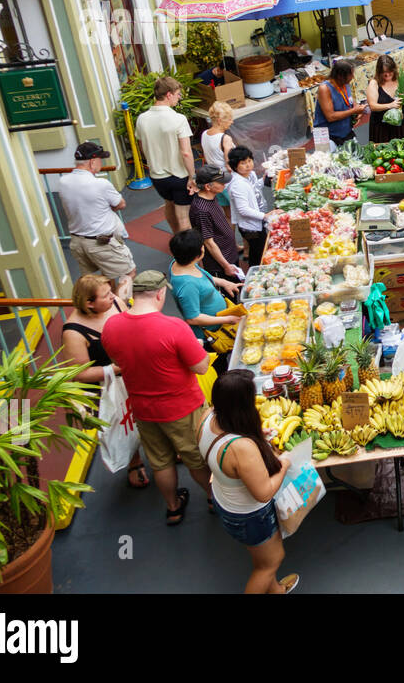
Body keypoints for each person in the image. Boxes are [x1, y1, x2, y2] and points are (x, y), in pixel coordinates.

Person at [100, 269, 213, 526]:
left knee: (160, 461)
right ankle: (212, 498)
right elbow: (201, 367)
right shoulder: (173, 326)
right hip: (182, 406)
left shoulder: (111, 326)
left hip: (142, 408)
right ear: (161, 293)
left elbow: (118, 361)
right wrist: (199, 351)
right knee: (195, 456)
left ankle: (173, 507)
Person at [199, 371, 299, 594]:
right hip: (250, 515)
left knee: (261, 558)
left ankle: (276, 591)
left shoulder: (208, 416)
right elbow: (264, 493)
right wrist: (284, 464)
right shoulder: (241, 448)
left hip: (224, 500)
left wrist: (257, 434)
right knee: (270, 563)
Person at [62, 273, 148, 489]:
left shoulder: (117, 303)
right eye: (105, 295)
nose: (113, 296)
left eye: (111, 292)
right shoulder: (73, 332)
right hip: (107, 386)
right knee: (125, 422)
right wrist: (117, 368)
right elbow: (79, 373)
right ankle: (134, 460)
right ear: (89, 303)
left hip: (135, 373)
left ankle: (163, 451)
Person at [61, 141, 135, 289]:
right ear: (92, 161)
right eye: (100, 159)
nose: (101, 163)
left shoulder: (63, 181)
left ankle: (108, 306)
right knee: (128, 273)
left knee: (99, 282)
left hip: (77, 242)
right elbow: (120, 204)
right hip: (101, 242)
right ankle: (120, 307)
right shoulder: (101, 184)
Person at [136, 76, 197, 233]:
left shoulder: (142, 119)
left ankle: (177, 238)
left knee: (169, 204)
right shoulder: (178, 119)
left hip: (157, 176)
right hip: (179, 175)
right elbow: (186, 152)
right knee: (184, 217)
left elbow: (142, 146)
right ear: (168, 94)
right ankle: (188, 254)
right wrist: (192, 176)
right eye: (178, 94)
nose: (179, 98)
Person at [168, 228, 242, 349]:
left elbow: (202, 276)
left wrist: (224, 282)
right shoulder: (187, 285)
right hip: (211, 335)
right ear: (198, 254)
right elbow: (193, 318)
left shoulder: (181, 261)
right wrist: (227, 319)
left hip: (220, 321)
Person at [189, 164, 242, 279]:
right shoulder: (201, 211)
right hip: (220, 264)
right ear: (208, 186)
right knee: (229, 293)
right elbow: (209, 243)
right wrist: (226, 266)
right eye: (221, 182)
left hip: (229, 254)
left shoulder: (212, 197)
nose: (224, 184)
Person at [227, 146, 269, 268]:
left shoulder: (250, 174)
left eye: (249, 161)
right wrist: (265, 216)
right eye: (243, 163)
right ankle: (255, 273)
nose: (248, 165)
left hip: (258, 220)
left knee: (261, 247)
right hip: (250, 227)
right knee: (258, 251)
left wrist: (264, 178)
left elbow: (255, 188)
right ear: (235, 166)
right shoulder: (237, 185)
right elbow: (243, 209)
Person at [313, 60, 365, 148]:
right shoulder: (324, 89)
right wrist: (353, 111)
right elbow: (330, 116)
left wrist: (357, 111)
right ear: (340, 76)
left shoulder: (345, 84)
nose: (353, 77)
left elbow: (351, 102)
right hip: (327, 136)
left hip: (345, 132)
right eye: (350, 75)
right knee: (327, 160)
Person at [366, 54, 404, 143]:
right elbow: (372, 106)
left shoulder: (401, 79)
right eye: (384, 72)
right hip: (382, 128)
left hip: (402, 126)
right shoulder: (374, 83)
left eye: (389, 71)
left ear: (394, 69)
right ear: (379, 72)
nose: (387, 74)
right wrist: (391, 105)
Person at [200, 101, 236, 208]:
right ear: (220, 121)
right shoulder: (225, 139)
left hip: (214, 180)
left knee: (226, 212)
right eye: (229, 119)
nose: (232, 122)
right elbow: (230, 165)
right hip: (228, 182)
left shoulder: (204, 134)